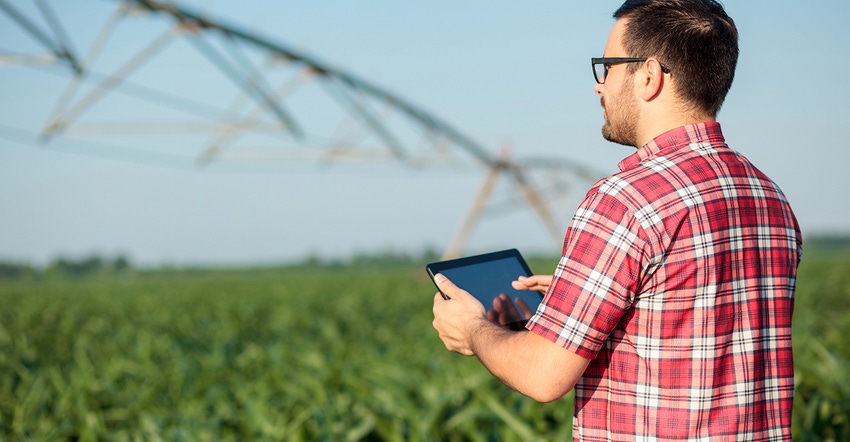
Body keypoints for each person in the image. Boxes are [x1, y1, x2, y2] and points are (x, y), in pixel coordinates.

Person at [431, 0, 803, 440]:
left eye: (606, 67)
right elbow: (697, 310)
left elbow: (541, 375)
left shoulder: (625, 200)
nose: (599, 86)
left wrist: (473, 330)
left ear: (648, 76)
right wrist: (601, 298)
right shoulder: (766, 195)